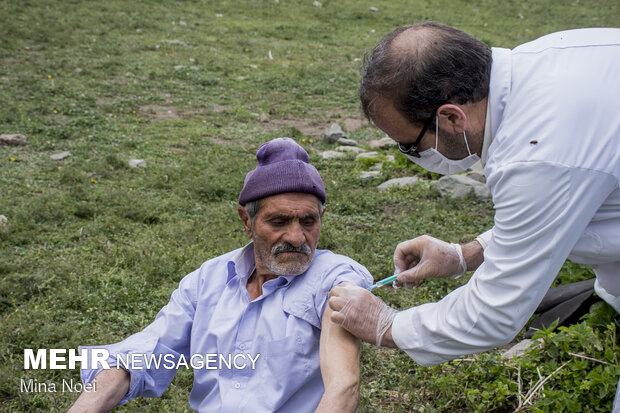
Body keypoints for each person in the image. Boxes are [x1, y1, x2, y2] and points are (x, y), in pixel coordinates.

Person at [328, 21, 620, 408]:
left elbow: (495, 313)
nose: (415, 157)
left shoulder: (535, 153)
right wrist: (465, 254)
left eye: (410, 146)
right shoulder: (542, 63)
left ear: (452, 118)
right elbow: (566, 208)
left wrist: (388, 325)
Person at [69, 137, 372, 412]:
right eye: (278, 221)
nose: (296, 237)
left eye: (308, 221)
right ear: (246, 220)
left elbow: (343, 387)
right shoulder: (207, 281)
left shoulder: (336, 278)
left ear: (321, 218)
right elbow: (143, 354)